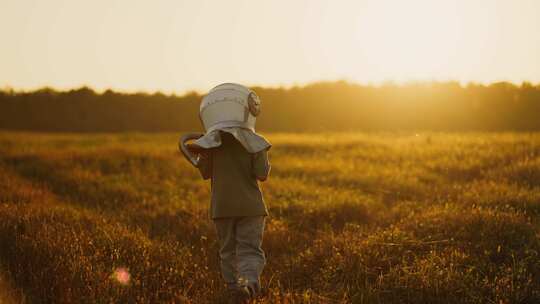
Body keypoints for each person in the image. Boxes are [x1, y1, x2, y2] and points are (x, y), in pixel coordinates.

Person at [183, 83, 271, 303]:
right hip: (251, 207)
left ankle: (234, 289)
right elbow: (262, 174)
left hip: (222, 208)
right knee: (249, 249)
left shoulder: (211, 145)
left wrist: (204, 151)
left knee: (228, 252)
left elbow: (205, 173)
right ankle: (248, 286)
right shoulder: (255, 143)